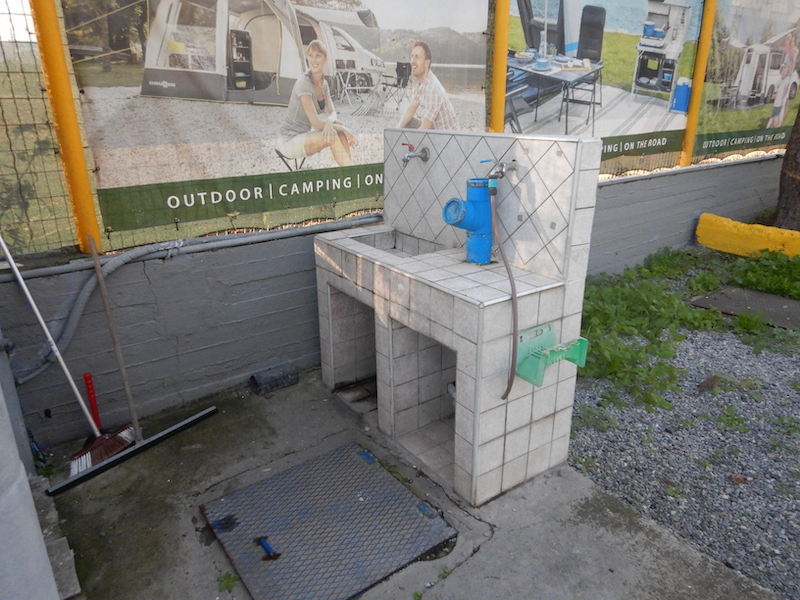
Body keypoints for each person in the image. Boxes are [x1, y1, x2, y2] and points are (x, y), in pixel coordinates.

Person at [278, 40, 356, 166]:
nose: (313, 60)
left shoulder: (323, 84)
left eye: (318, 55)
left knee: (339, 130)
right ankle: (351, 173)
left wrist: (331, 122)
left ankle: (349, 171)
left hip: (304, 136)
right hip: (289, 140)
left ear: (326, 59)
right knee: (334, 134)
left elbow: (333, 112)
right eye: (310, 55)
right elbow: (316, 124)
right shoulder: (303, 83)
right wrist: (343, 128)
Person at [397, 41, 459, 130]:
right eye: (412, 56)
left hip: (444, 137)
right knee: (407, 121)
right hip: (434, 131)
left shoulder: (432, 90)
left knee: (408, 131)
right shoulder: (423, 82)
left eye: (417, 57)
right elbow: (411, 108)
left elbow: (424, 129)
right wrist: (396, 131)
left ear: (427, 63)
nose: (412, 61)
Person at [766, 33, 798, 129]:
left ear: (793, 41)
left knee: (783, 101)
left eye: (790, 40)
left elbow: (792, 66)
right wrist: (782, 70)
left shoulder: (794, 51)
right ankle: (774, 119)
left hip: (789, 78)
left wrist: (786, 71)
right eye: (787, 40)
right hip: (784, 77)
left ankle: (777, 122)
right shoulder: (786, 52)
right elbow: (783, 64)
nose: (788, 42)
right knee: (778, 99)